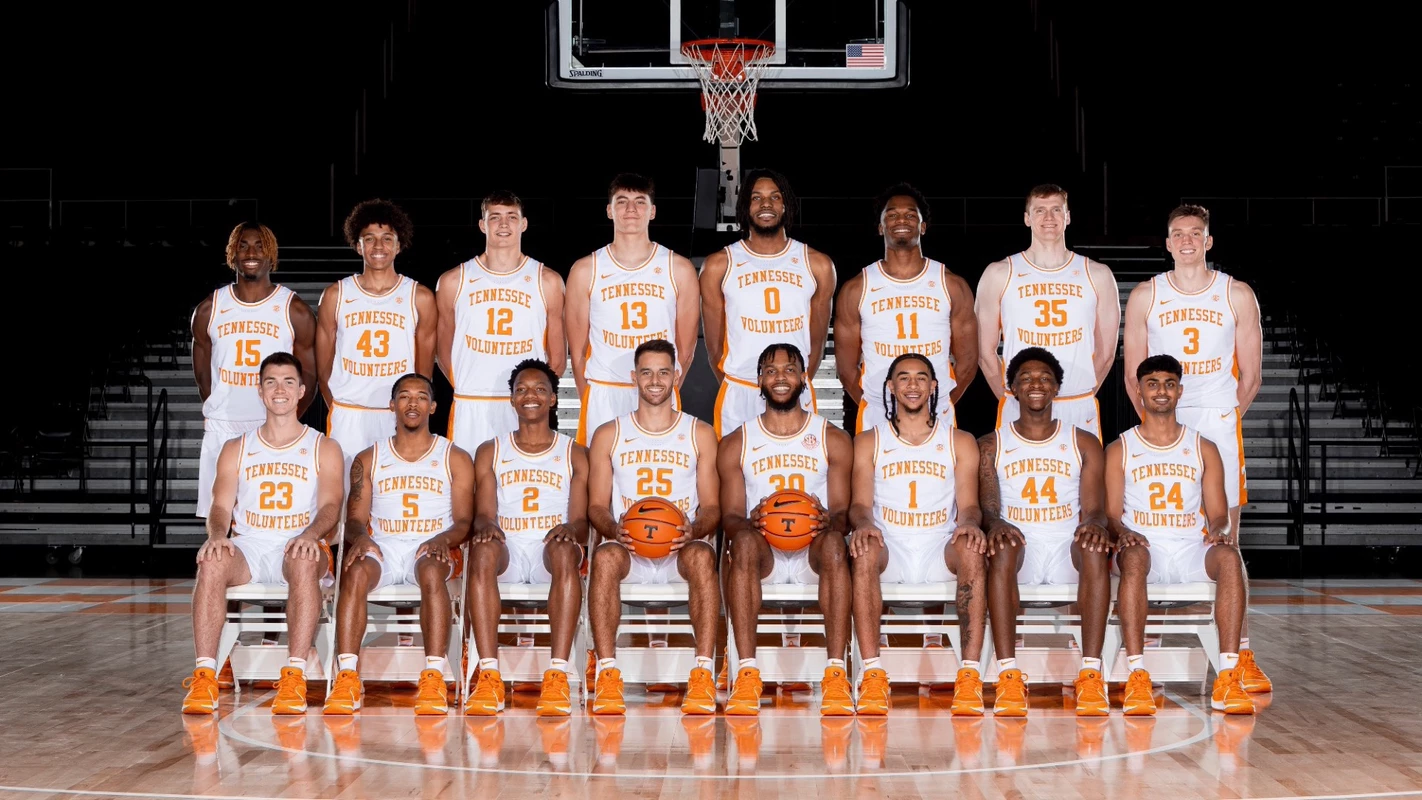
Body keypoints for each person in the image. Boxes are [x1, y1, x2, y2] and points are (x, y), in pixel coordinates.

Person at [1121, 205, 1271, 693]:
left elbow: (1250, 377)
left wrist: (1220, 421)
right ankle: (1153, 649)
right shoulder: (1147, 294)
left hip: (1216, 420)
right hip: (1163, 417)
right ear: (1167, 243)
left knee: (1226, 539)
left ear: (1208, 241)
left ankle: (1241, 652)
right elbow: (1132, 373)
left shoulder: (1237, 293)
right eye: (1177, 234)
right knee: (1153, 527)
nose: (1186, 240)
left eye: (1195, 234)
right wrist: (1159, 422)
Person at [181, 352, 344, 715]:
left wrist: (311, 535)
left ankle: (294, 678)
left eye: (288, 382)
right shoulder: (237, 448)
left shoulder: (324, 446)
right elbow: (220, 506)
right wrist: (217, 535)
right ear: (260, 391)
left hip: (300, 541)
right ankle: (205, 675)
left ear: (302, 391)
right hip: (251, 545)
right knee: (211, 562)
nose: (280, 389)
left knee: (303, 560)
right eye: (271, 382)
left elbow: (332, 506)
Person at [1107, 355, 1260, 716]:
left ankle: (1227, 674)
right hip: (1143, 548)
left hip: (1190, 546)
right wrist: (1124, 532)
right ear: (1139, 391)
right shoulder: (1121, 448)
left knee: (1230, 557)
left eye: (1169, 383)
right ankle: (1137, 674)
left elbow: (1219, 514)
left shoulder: (1203, 447)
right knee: (1133, 556)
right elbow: (1111, 514)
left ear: (1180, 391)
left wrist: (1221, 533)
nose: (1161, 391)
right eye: (1153, 383)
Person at [322, 373, 475, 717]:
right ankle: (347, 675)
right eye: (404, 396)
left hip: (432, 544)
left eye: (421, 397)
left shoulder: (454, 456)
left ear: (433, 407)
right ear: (392, 405)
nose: (412, 403)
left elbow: (465, 521)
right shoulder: (368, 457)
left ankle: (434, 675)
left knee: (432, 571)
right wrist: (361, 538)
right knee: (355, 570)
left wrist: (441, 539)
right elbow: (356, 518)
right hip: (385, 547)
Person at [585, 339, 722, 715]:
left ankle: (702, 674)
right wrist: (614, 529)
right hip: (628, 547)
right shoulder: (609, 434)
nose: (655, 380)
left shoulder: (700, 433)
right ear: (634, 378)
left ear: (677, 376)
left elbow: (712, 507)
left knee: (701, 559)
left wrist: (694, 530)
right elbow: (596, 506)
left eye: (664, 372)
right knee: (605, 559)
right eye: (647, 372)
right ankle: (608, 675)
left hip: (680, 547)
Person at [846, 352, 988, 715]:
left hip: (938, 545)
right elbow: (860, 506)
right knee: (862, 549)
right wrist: (863, 524)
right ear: (890, 387)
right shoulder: (868, 441)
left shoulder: (959, 440)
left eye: (921, 377)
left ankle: (969, 676)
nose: (913, 385)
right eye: (904, 378)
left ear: (934, 386)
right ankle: (873, 675)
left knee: (971, 549)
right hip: (888, 545)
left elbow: (969, 505)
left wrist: (970, 523)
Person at [718, 343, 855, 716]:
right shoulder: (736, 442)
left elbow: (844, 512)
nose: (781, 377)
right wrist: (752, 521)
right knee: (742, 543)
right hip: (763, 554)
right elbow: (729, 517)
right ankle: (747, 673)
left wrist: (831, 520)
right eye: (772, 370)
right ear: (759, 380)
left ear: (804, 378)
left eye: (790, 369)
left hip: (814, 553)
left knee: (833, 545)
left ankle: (836, 674)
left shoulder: (833, 438)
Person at [977, 347, 1113, 716]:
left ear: (1056, 388)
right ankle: (1008, 675)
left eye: (1044, 379)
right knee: (1001, 547)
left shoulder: (1083, 442)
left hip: (1065, 543)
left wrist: (1094, 525)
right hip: (1019, 545)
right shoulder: (990, 445)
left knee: (1095, 548)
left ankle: (1090, 675)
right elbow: (988, 508)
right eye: (1025, 379)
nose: (1035, 384)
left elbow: (1096, 507)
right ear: (1012, 390)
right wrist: (997, 523)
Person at [463, 359, 589, 717]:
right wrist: (486, 526)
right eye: (521, 390)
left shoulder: (574, 453)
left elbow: (580, 522)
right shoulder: (492, 450)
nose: (529, 396)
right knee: (482, 550)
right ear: (512, 400)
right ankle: (488, 673)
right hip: (509, 547)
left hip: (552, 548)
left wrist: (571, 531)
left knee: (566, 550)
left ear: (552, 399)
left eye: (538, 390)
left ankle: (558, 675)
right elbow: (485, 514)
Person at [191, 221, 317, 519]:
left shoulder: (293, 309)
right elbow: (202, 375)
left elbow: (309, 377)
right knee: (220, 521)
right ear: (231, 254)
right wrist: (220, 407)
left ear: (271, 254)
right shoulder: (210, 308)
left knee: (270, 517)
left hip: (270, 424)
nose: (251, 252)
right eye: (243, 245)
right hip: (223, 426)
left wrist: (286, 419)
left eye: (260, 246)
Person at [975, 184, 1120, 439]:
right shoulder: (999, 273)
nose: (1049, 217)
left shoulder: (1097, 274)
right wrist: (1016, 397)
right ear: (1027, 218)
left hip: (1077, 403)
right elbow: (984, 352)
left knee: (1083, 479)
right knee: (1014, 479)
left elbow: (1107, 353)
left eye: (1056, 209)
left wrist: (1080, 392)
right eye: (1040, 210)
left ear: (1068, 216)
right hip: (1019, 405)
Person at [564, 173, 700, 445]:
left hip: (657, 391)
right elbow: (577, 351)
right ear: (609, 210)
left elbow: (685, 350)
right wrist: (589, 398)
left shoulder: (679, 268)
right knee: (601, 482)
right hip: (604, 392)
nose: (630, 209)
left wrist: (660, 391)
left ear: (652, 211)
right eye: (622, 201)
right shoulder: (585, 269)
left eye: (640, 202)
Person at [699, 169, 835, 438]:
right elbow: (714, 346)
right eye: (756, 198)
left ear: (785, 205)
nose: (766, 204)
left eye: (774, 197)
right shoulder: (719, 265)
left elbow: (817, 343)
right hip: (740, 390)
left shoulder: (817, 264)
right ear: (744, 207)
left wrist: (793, 383)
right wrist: (740, 384)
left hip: (793, 391)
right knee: (735, 476)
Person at [834, 183, 978, 435]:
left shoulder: (951, 284)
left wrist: (937, 404)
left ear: (923, 226)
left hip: (936, 413)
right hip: (878, 414)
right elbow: (846, 369)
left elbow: (967, 362)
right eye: (891, 215)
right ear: (881, 227)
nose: (901, 219)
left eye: (911, 214)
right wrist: (877, 406)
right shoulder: (856, 288)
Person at [436, 189, 567, 452]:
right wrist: (470, 383)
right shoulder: (453, 281)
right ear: (483, 225)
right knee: (469, 489)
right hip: (471, 403)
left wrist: (533, 395)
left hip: (524, 406)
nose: (504, 224)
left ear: (524, 223)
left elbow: (558, 359)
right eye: (495, 217)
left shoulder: (547, 280)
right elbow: (442, 350)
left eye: (511, 217)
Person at [316, 199, 437, 474]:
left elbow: (423, 373)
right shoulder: (336, 295)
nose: (378, 247)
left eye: (386, 239)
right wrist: (338, 405)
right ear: (358, 245)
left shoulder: (420, 297)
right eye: (369, 239)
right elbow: (323, 368)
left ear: (399, 244)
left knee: (392, 495)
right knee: (348, 499)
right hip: (349, 413)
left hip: (397, 414)